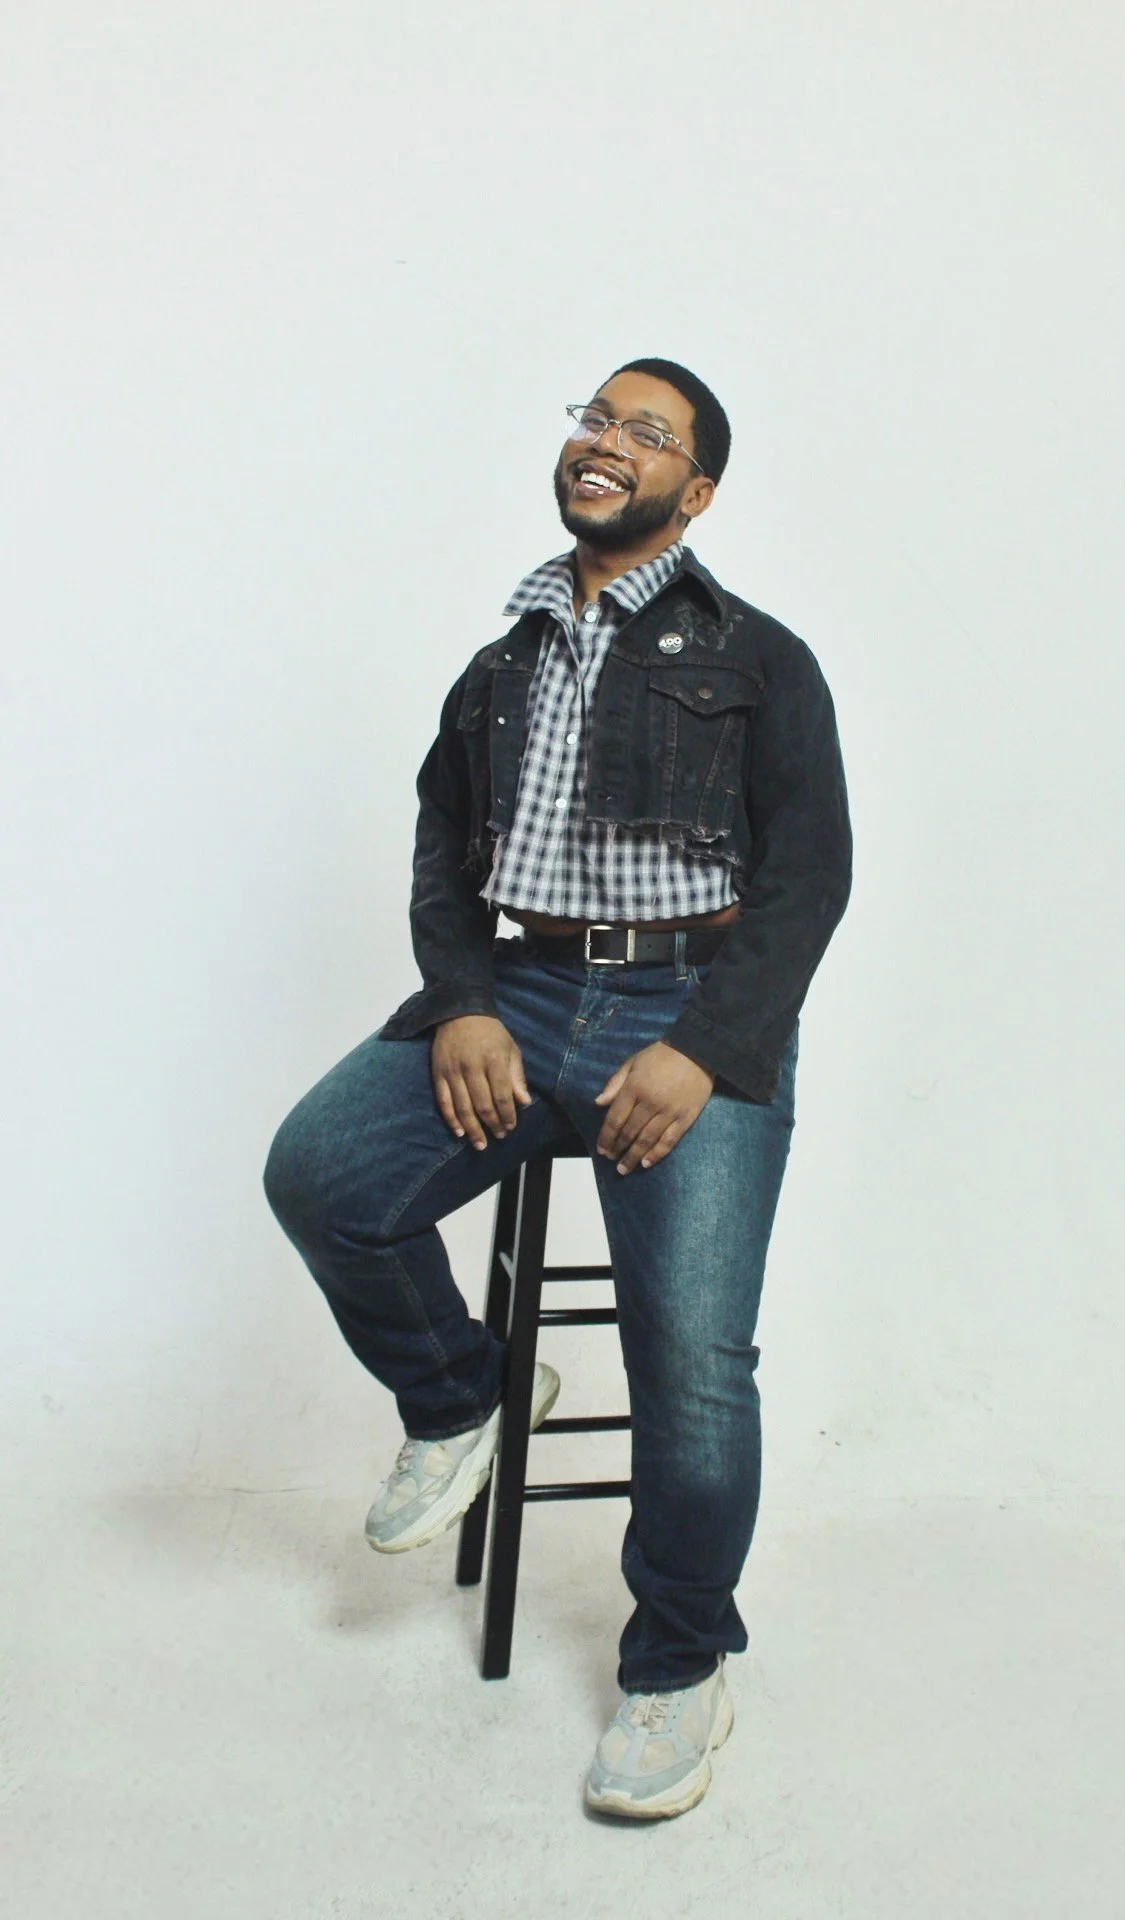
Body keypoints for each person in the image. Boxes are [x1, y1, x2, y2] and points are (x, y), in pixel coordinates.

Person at [264, 357, 852, 1819]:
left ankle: (680, 1663)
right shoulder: (501, 665)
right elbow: (441, 859)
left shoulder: (761, 658)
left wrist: (704, 1047)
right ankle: (464, 1395)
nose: (606, 442)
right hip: (524, 991)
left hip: (691, 1005)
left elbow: (809, 876)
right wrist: (465, 1004)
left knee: (693, 1361)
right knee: (320, 1174)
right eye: (594, 418)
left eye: (645, 433)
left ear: (694, 492)